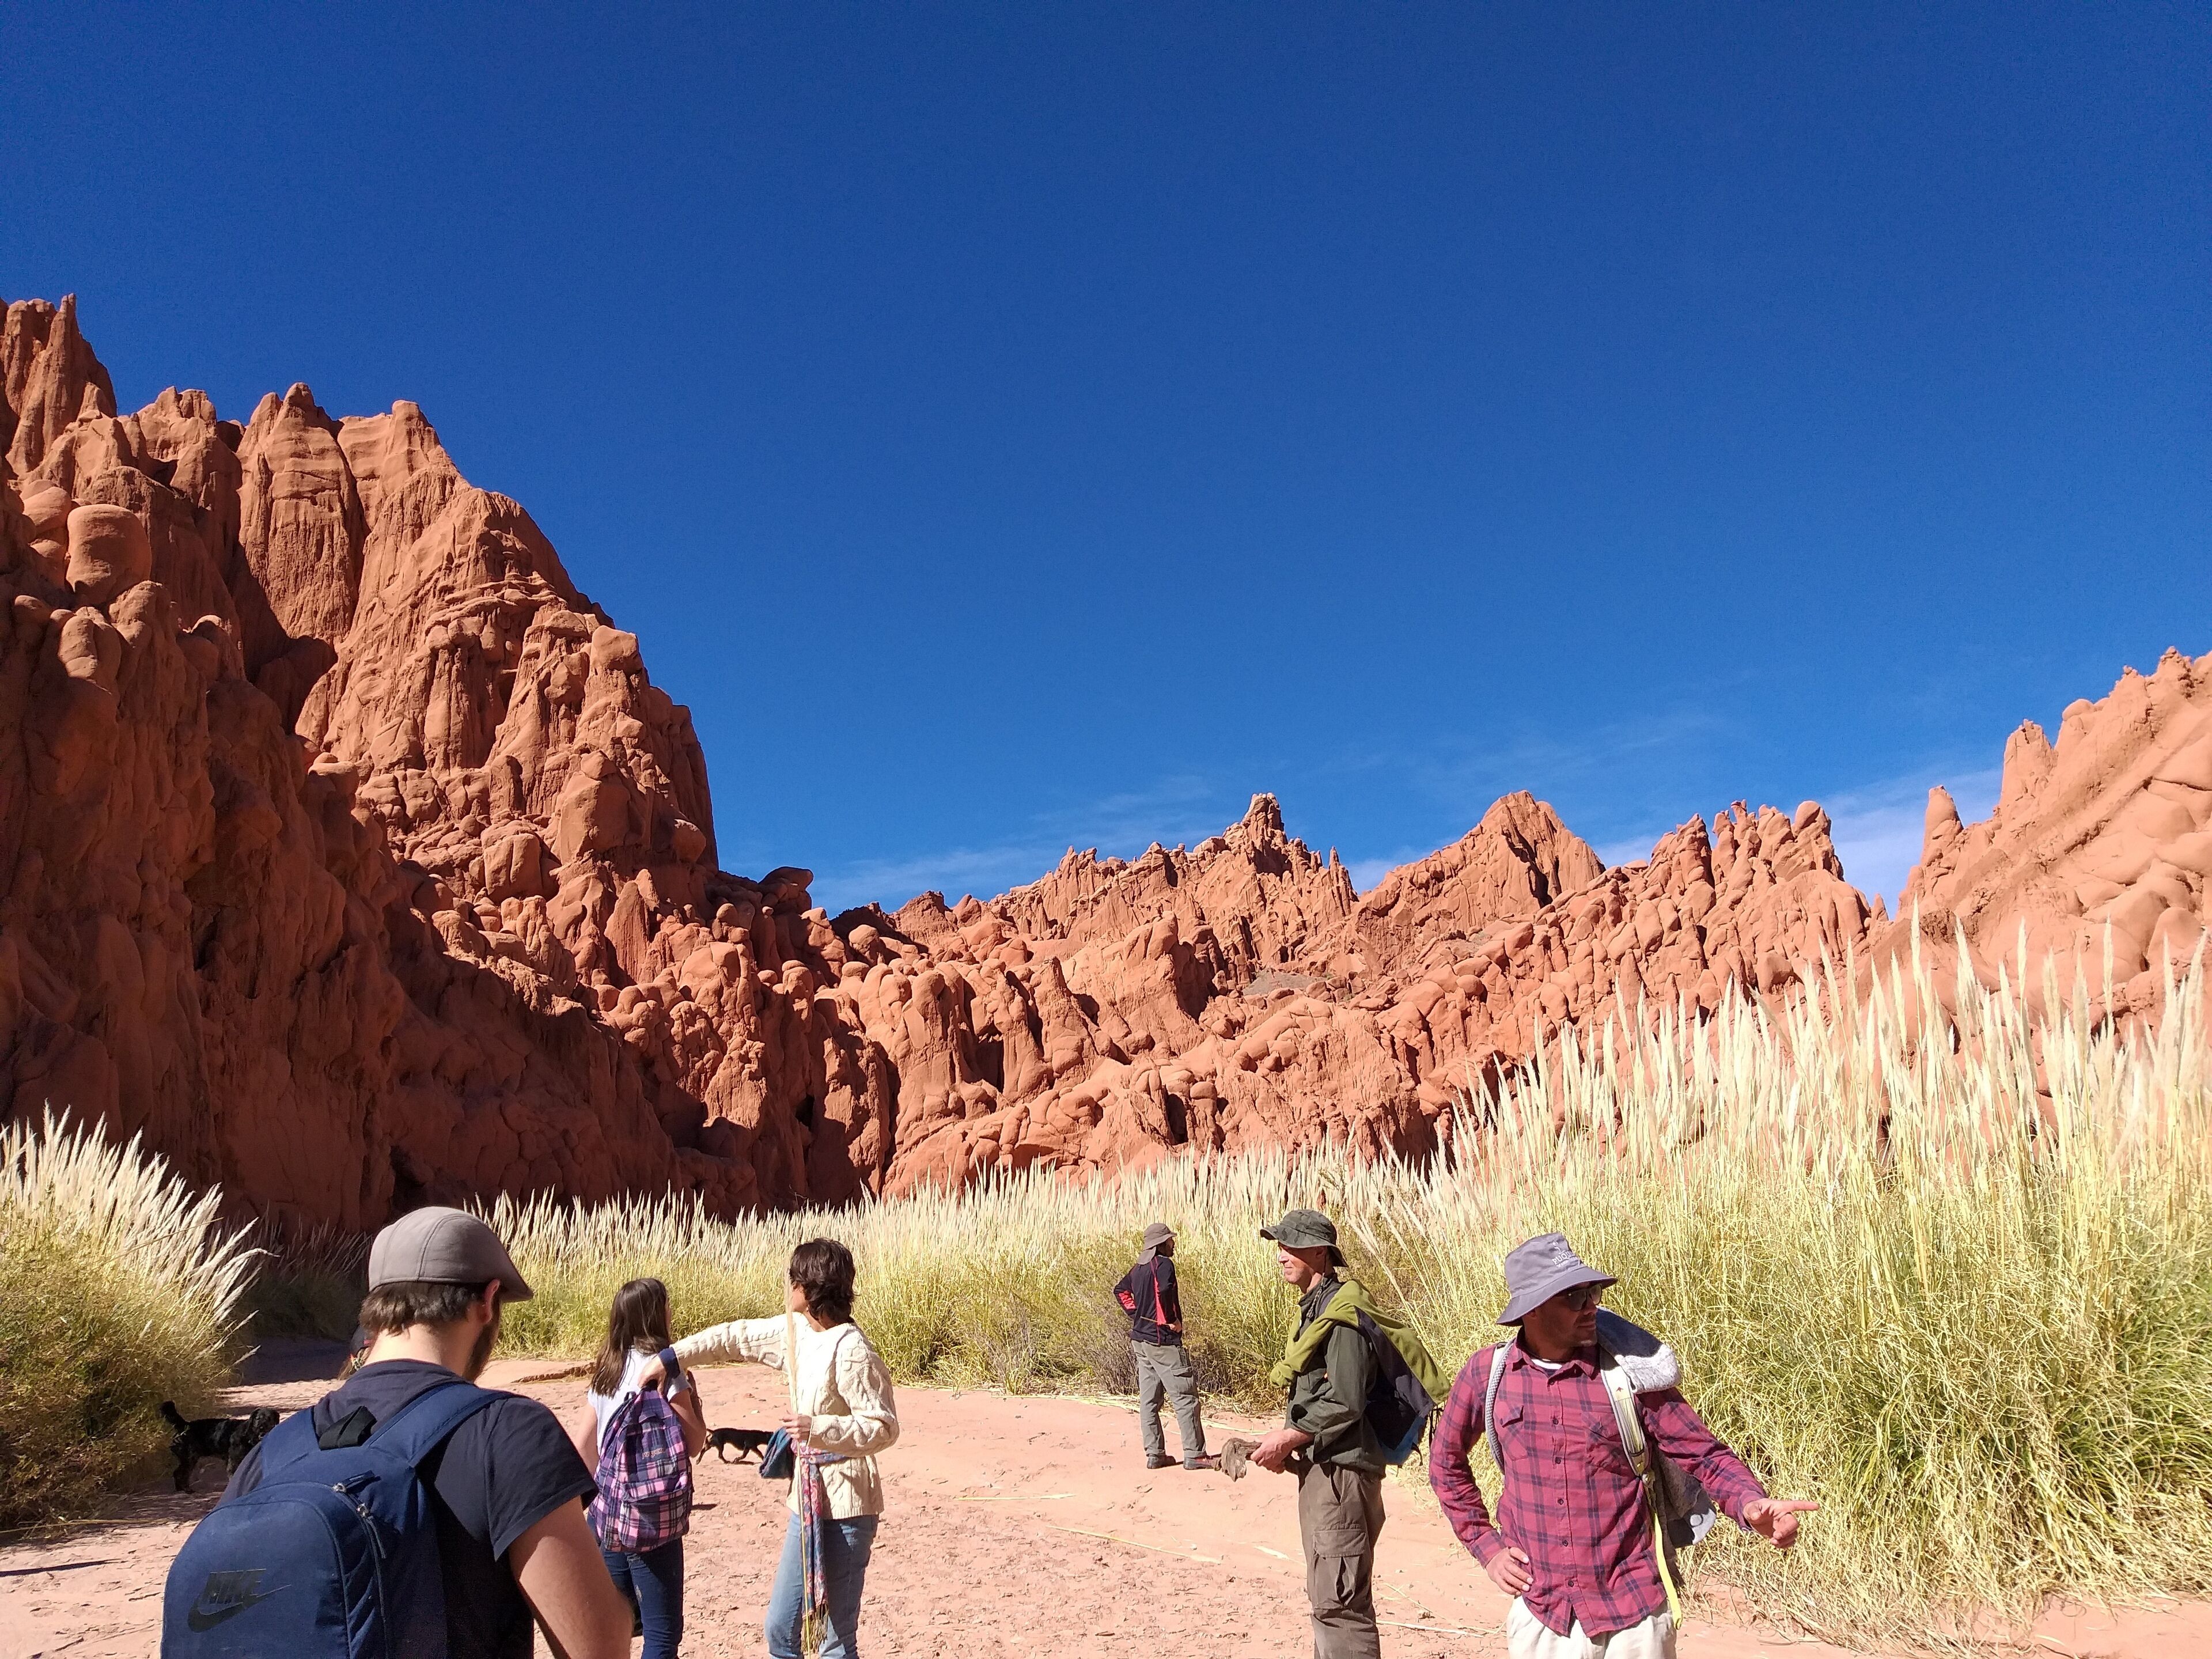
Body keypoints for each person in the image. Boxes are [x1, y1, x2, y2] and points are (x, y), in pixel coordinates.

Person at [223, 1206, 631, 1659]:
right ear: (487, 1300)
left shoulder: (272, 1452)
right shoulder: (509, 1432)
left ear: (374, 1311)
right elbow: (597, 1649)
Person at [1429, 1233, 1821, 1659]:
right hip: (1542, 1611)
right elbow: (1446, 1462)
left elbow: (1704, 1454)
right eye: (1574, 1297)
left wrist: (1748, 1503)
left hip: (1633, 1609)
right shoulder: (1489, 1374)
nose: (1591, 1306)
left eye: (1593, 1292)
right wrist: (1486, 1548)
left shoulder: (1626, 1376)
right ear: (1533, 1309)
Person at [637, 1239, 898, 1659]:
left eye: (795, 1278)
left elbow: (883, 1427)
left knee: (834, 1641)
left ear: (811, 1287)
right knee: (781, 1629)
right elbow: (734, 1337)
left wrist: (818, 1428)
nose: (788, 1285)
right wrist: (671, 1358)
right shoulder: (795, 1333)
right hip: (806, 1500)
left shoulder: (852, 1349)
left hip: (849, 1506)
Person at [1243, 1209, 1389, 1659]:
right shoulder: (1318, 1310)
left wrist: (1291, 1437)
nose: (1281, 1255)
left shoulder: (1342, 1315)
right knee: (1328, 1596)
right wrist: (1292, 1443)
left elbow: (1346, 1400)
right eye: (1280, 1246)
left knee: (1339, 1604)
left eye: (1291, 1246)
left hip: (1341, 1477)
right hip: (1327, 1472)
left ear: (1321, 1253)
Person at [569, 1277, 709, 1659]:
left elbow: (585, 1448)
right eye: (666, 1305)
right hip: (651, 1517)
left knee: (614, 1627)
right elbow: (695, 1442)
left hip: (608, 1515)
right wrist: (694, 1403)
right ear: (655, 1315)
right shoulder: (665, 1371)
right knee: (662, 1635)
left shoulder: (608, 1370)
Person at [1113, 1221, 1219, 1471]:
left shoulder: (1139, 1268)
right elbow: (1163, 1291)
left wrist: (1137, 1315)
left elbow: (1121, 1291)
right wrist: (1171, 1321)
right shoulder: (1164, 1265)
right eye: (1170, 1240)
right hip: (1162, 1342)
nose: (1174, 1244)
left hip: (1141, 1341)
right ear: (1160, 1245)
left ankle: (1155, 1454)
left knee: (1149, 1401)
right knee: (1185, 1398)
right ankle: (1195, 1455)